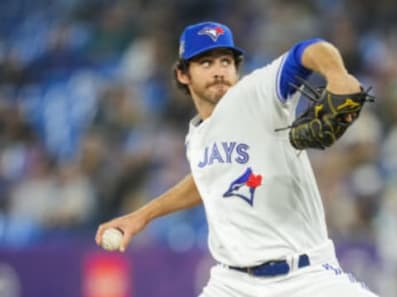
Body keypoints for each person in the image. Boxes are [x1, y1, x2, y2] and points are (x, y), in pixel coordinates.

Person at [96, 21, 379, 297]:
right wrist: (141, 216)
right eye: (206, 63)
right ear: (183, 74)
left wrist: (337, 75)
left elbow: (309, 50)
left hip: (304, 276)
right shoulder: (196, 136)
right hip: (232, 283)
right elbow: (207, 180)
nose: (219, 71)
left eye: (225, 62)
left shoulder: (254, 94)